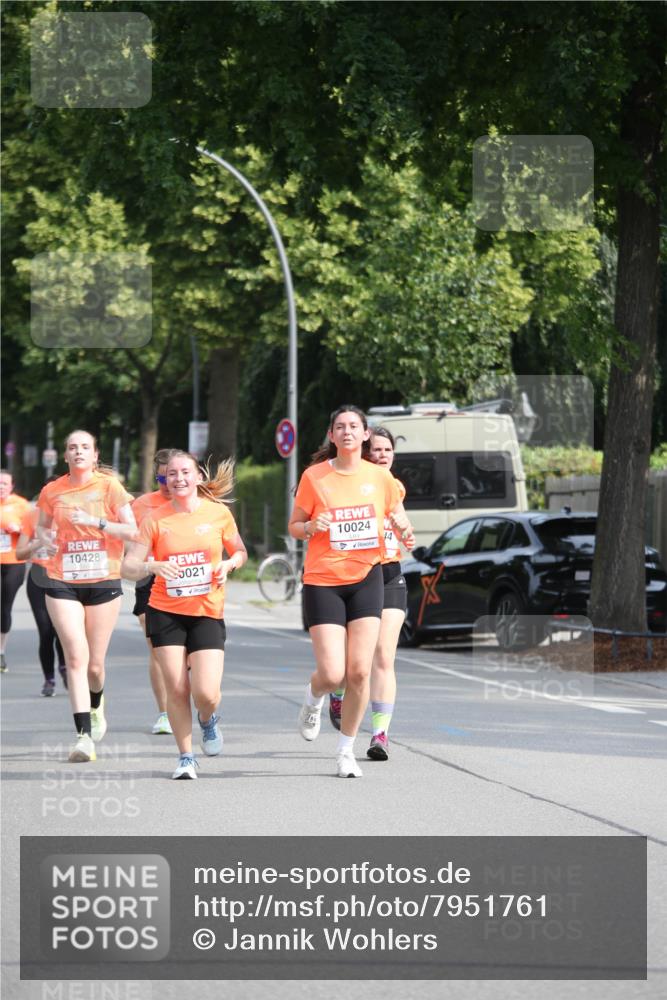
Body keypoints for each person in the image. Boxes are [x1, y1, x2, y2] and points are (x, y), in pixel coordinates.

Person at [288, 405, 412, 779]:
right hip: (323, 580)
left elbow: (397, 515)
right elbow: (294, 526)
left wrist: (404, 528)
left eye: (353, 426)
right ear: (331, 435)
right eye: (339, 426)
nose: (346, 432)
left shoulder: (380, 477)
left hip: (367, 577)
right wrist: (311, 525)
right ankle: (314, 696)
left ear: (364, 435)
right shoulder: (315, 477)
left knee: (359, 672)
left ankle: (346, 751)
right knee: (332, 673)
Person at [121, 450, 247, 780]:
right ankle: (186, 756)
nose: (178, 479)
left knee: (207, 692)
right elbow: (128, 566)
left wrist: (228, 564)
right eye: (172, 474)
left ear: (198, 477)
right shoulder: (155, 519)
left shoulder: (218, 514)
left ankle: (207, 719)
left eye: (185, 473)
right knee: (177, 689)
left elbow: (240, 552)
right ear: (165, 478)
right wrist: (152, 565)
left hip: (206, 611)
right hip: (165, 611)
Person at [36, 430, 137, 763]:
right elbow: (42, 528)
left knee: (95, 665)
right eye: (72, 448)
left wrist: (96, 522)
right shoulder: (52, 491)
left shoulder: (109, 487)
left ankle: (97, 703)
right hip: (61, 579)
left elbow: (133, 531)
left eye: (85, 447)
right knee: (75, 659)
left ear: (95, 455)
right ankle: (83, 738)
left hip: (103, 578)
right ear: (65, 456)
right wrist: (46, 541)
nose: (78, 452)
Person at [131, 448, 178, 736]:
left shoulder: (198, 503)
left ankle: (184, 695)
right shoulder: (142, 505)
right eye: (161, 476)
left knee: (185, 653)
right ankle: (164, 712)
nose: (167, 482)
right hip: (150, 578)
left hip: (188, 578)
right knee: (158, 649)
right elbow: (130, 547)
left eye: (171, 474)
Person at [16, 479, 67, 696]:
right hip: (38, 576)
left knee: (63, 630)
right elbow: (20, 553)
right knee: (46, 631)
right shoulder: (31, 516)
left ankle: (65, 667)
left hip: (64, 577)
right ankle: (49, 680)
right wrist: (40, 541)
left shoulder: (71, 516)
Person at [0, 469, 31, 672]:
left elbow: (30, 532)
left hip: (14, 562)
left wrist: (17, 529)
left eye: (4, 484)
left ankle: (1, 651)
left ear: (11, 486)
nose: (1, 487)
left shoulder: (21, 505)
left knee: (4, 607)